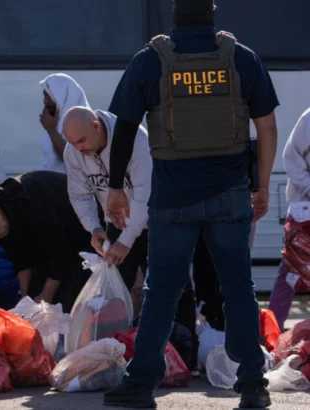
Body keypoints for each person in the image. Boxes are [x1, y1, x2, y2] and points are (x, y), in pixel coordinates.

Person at [102, 1, 279, 408]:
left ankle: (141, 384)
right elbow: (267, 127)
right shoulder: (240, 58)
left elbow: (125, 127)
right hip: (230, 194)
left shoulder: (150, 60)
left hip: (172, 199)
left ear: (175, 15)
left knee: (162, 290)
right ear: (212, 13)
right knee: (238, 287)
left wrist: (115, 187)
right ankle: (253, 383)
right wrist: (262, 185)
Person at [63, 106, 199, 369]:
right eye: (73, 143)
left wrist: (126, 241)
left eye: (82, 141)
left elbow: (144, 196)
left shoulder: (135, 139)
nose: (79, 149)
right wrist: (94, 228)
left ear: (96, 127)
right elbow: (79, 194)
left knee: (173, 285)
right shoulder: (74, 151)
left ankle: (185, 356)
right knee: (115, 291)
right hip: (117, 222)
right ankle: (114, 355)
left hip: (160, 218)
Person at [0, 171, 93, 312]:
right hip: (52, 248)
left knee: (67, 302)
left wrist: (46, 295)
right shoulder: (2, 224)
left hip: (82, 236)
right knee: (34, 299)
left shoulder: (30, 202)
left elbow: (59, 252)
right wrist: (24, 301)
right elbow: (21, 262)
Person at [271, 108, 310, 330]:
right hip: (305, 211)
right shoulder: (309, 118)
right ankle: (272, 331)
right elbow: (291, 157)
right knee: (291, 271)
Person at [39, 73, 90, 173]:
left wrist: (51, 130)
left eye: (51, 96)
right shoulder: (54, 122)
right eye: (45, 96)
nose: (47, 101)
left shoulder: (82, 120)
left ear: (64, 96)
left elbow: (70, 159)